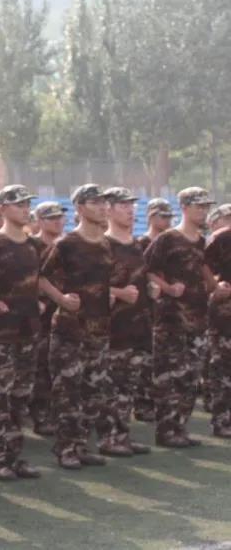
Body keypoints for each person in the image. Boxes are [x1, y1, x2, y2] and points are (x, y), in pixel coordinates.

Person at [39, 185, 121, 469]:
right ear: (80, 208)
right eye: (95, 202)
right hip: (70, 331)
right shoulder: (67, 244)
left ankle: (81, 445)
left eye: (104, 202)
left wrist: (108, 295)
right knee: (68, 393)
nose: (103, 207)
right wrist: (61, 298)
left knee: (93, 392)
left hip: (99, 329)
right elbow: (41, 277)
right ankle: (66, 449)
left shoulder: (106, 244)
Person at [145, 187, 228, 447]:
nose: (203, 211)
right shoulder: (168, 238)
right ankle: (166, 431)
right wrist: (167, 288)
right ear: (184, 207)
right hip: (170, 320)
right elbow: (147, 269)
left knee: (190, 378)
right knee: (169, 376)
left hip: (197, 319)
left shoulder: (202, 242)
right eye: (198, 206)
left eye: (206, 207)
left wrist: (216, 287)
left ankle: (179, 428)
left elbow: (205, 274)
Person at [0, 186, 44, 481]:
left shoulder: (32, 245)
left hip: (27, 330)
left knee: (20, 396)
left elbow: (36, 280)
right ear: (2, 209)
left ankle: (15, 456)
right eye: (19, 204)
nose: (25, 209)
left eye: (27, 204)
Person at [101, 188, 153, 456]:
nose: (130, 210)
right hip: (113, 328)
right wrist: (118, 293)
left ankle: (122, 435)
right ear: (108, 210)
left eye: (131, 205)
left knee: (128, 386)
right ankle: (108, 438)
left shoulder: (136, 244)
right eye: (123, 205)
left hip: (138, 325)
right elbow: (85, 286)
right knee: (111, 386)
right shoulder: (102, 245)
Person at [134, 198, 174, 421]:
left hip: (169, 307)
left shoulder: (171, 242)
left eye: (169, 216)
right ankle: (143, 403)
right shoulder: (143, 242)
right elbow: (139, 272)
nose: (167, 220)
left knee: (165, 356)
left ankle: (159, 400)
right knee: (147, 356)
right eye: (162, 216)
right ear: (150, 217)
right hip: (149, 306)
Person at [29, 202, 67, 436]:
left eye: (60, 217)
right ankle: (41, 415)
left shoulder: (66, 245)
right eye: (52, 218)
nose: (57, 222)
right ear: (40, 221)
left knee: (61, 366)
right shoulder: (32, 245)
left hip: (63, 312)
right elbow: (26, 278)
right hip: (40, 315)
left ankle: (58, 413)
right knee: (41, 366)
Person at [205, 204, 231, 437]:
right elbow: (200, 267)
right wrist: (215, 285)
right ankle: (222, 421)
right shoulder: (221, 239)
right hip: (225, 315)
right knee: (223, 369)